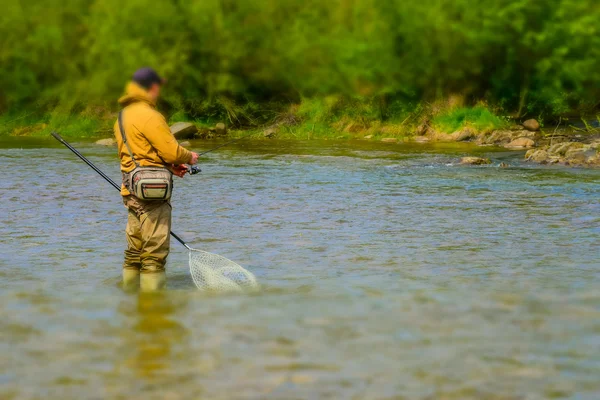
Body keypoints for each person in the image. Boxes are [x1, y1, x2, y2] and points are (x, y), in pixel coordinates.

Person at [114, 67, 199, 291]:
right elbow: (171, 151)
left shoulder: (123, 116)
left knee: (134, 252)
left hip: (130, 190)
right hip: (152, 195)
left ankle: (130, 299)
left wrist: (170, 167)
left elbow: (140, 153)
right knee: (154, 255)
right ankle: (153, 311)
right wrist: (188, 157)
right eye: (157, 87)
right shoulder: (150, 115)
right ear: (152, 87)